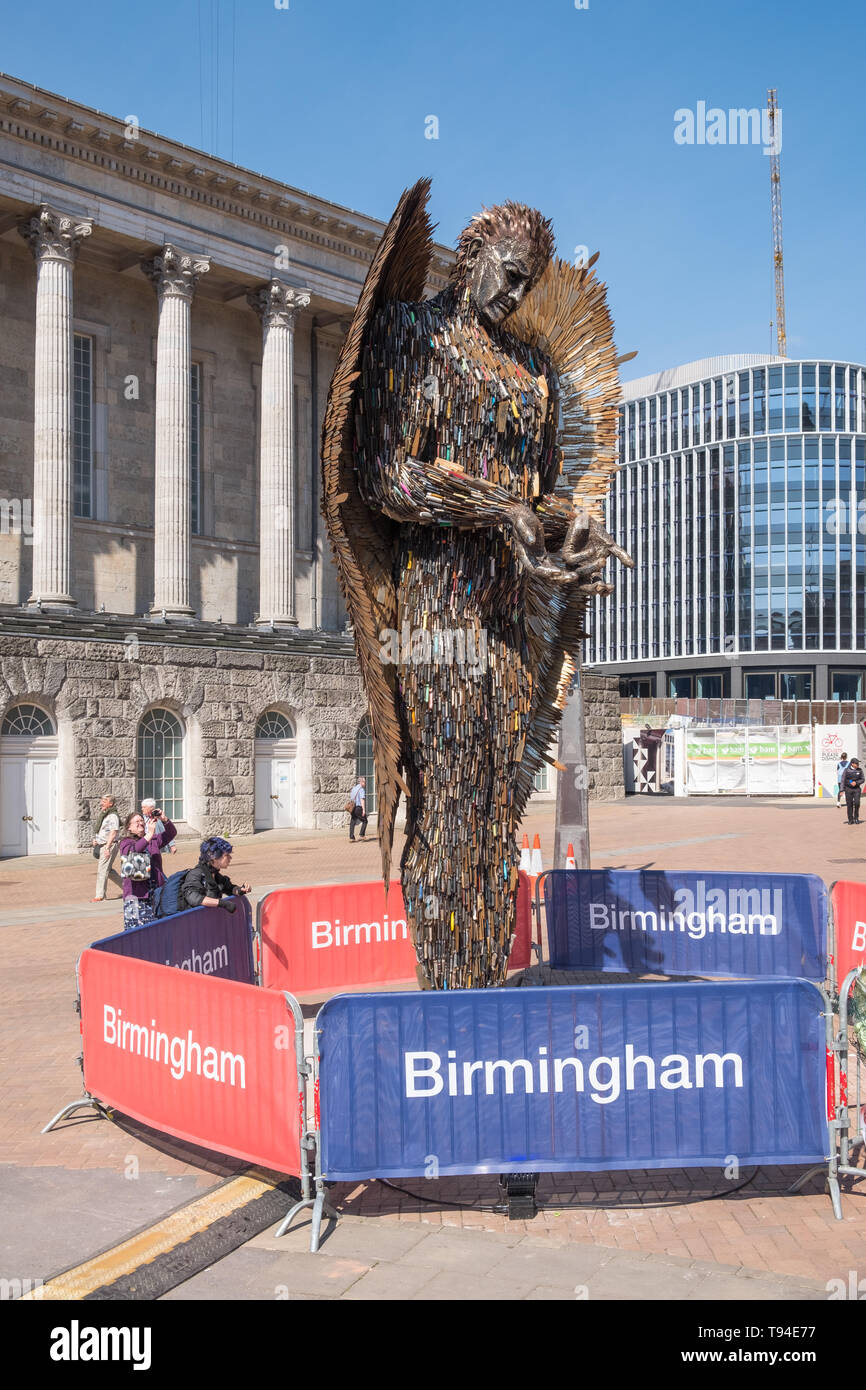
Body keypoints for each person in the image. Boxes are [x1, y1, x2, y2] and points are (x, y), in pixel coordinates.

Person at [119, 808, 177, 929]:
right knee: (136, 932)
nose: (140, 823)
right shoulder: (126, 842)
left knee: (157, 929)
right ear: (129, 827)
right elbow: (134, 851)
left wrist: (164, 819)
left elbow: (171, 833)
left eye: (141, 820)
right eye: (136, 821)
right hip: (136, 895)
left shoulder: (153, 840)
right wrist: (149, 834)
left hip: (156, 892)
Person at [181, 837, 250, 911]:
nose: (230, 858)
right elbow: (193, 898)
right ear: (213, 856)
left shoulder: (215, 875)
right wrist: (222, 903)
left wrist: (240, 890)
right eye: (227, 855)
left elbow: (229, 888)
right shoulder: (195, 874)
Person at [91, 795, 120, 901]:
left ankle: (100, 896)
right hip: (102, 845)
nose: (101, 803)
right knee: (109, 870)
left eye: (104, 801)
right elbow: (103, 830)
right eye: (101, 801)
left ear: (111, 804)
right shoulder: (105, 815)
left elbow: (113, 832)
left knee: (102, 870)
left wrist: (107, 848)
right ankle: (128, 888)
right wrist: (96, 840)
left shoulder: (113, 816)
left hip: (109, 845)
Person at [842, 758, 864, 826]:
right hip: (848, 789)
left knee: (857, 803)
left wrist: (856, 782)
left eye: (858, 763)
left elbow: (863, 779)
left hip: (857, 789)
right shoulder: (846, 770)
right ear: (852, 764)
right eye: (856, 763)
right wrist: (841, 790)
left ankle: (856, 818)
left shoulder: (860, 770)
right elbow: (843, 780)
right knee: (849, 804)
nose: (858, 764)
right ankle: (850, 819)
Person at [347, 776, 367, 842]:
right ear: (361, 782)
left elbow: (351, 798)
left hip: (353, 808)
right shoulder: (361, 789)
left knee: (353, 822)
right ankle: (362, 835)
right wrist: (363, 810)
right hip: (358, 807)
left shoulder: (354, 789)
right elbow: (362, 800)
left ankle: (351, 837)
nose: (365, 783)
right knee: (365, 821)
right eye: (364, 782)